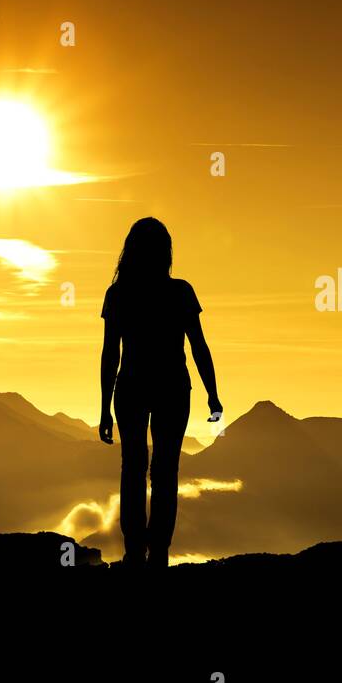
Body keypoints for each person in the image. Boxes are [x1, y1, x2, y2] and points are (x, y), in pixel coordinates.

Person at [98, 217, 222, 568]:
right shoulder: (180, 292)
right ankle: (158, 553)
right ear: (165, 252)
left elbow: (111, 354)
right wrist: (213, 395)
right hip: (172, 388)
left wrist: (104, 408)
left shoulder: (119, 294)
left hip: (132, 387)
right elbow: (199, 346)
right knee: (165, 469)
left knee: (133, 467)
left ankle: (135, 551)